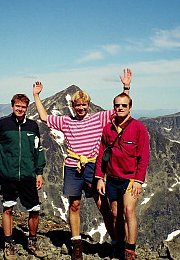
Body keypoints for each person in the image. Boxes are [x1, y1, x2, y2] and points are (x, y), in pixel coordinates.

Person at [32, 69, 132, 260]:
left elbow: (121, 109)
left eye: (84, 104)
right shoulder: (66, 121)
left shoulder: (98, 118)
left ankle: (116, 243)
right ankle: (76, 244)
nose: (81, 108)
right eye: (78, 105)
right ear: (73, 106)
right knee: (75, 204)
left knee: (103, 206)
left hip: (93, 167)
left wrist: (126, 87)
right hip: (72, 166)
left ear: (88, 105)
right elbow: (45, 118)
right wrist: (36, 96)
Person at [0, 94, 47, 260]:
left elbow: (38, 149)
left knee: (34, 210)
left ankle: (32, 241)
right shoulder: (3, 124)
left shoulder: (33, 126)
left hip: (28, 175)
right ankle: (8, 243)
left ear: (27, 108)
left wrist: (39, 172)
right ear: (12, 106)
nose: (20, 109)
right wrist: (1, 154)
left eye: (24, 107)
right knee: (8, 208)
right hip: (8, 175)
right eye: (17, 106)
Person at [95, 93, 150, 260]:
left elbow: (144, 155)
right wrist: (99, 177)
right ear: (114, 107)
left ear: (130, 108)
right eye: (117, 105)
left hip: (130, 179)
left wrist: (139, 181)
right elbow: (101, 154)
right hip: (112, 178)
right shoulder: (108, 128)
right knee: (115, 214)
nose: (120, 108)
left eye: (124, 105)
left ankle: (130, 250)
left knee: (128, 211)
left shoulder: (138, 127)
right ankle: (119, 246)